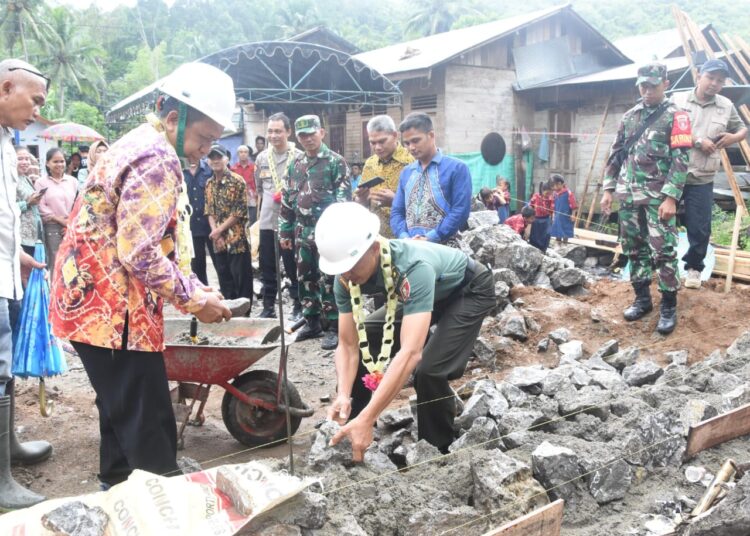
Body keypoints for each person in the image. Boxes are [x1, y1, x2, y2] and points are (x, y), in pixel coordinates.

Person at [49, 62, 235, 490]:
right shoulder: (157, 158)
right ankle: (161, 506)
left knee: (120, 408)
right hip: (114, 313)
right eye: (204, 138)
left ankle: (114, 490)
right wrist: (195, 300)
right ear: (174, 118)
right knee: (149, 422)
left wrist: (191, 284)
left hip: (94, 302)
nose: (205, 150)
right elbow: (139, 251)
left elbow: (143, 235)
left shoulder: (138, 141)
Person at [316, 202, 494, 458]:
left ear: (375, 249)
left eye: (352, 266)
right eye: (341, 269)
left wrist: (371, 416)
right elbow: (347, 344)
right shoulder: (345, 276)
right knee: (370, 333)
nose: (347, 274)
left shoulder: (412, 267)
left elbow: (410, 353)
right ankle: (352, 428)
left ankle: (436, 452)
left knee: (429, 370)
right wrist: (343, 394)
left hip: (468, 289)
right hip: (425, 295)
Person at [601, 62, 692, 335]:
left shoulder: (679, 116)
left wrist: (671, 198)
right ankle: (642, 299)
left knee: (663, 251)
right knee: (633, 249)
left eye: (652, 85)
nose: (647, 90)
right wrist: (607, 190)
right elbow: (615, 155)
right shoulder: (629, 117)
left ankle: (668, 306)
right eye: (642, 85)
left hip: (657, 199)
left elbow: (681, 160)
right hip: (628, 197)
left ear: (665, 83)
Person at [0, 58, 51, 509]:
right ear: (5, 88)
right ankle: (0, 481)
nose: (37, 110)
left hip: (6, 270)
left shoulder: (5, 140)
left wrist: (20, 256)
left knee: (5, 364)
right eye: (34, 100)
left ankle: (8, 449)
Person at [672, 59, 748, 289]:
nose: (714, 84)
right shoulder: (677, 100)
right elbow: (668, 129)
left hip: (703, 176)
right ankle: (661, 266)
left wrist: (734, 138)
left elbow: (742, 128)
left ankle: (694, 269)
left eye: (720, 81)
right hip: (674, 174)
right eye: (710, 78)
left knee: (700, 226)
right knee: (662, 220)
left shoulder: (725, 105)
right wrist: (697, 140)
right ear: (699, 76)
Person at [279, 115, 351, 350]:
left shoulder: (335, 162)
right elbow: (288, 198)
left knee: (329, 278)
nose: (308, 139)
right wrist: (285, 231)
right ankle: (312, 321)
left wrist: (339, 231)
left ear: (322, 132)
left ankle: (333, 327)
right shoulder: (296, 163)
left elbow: (343, 199)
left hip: (327, 230)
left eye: (311, 133)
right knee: (304, 276)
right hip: (302, 230)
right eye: (302, 135)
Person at [391, 112, 472, 245]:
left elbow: (461, 210)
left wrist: (432, 237)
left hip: (445, 250)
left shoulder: (457, 168)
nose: (411, 147)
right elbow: (397, 212)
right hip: (410, 248)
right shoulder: (406, 173)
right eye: (407, 143)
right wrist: (404, 236)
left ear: (431, 135)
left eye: (416, 140)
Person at [254, 113, 303, 319]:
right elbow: (259, 189)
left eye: (278, 131)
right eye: (270, 131)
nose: (274, 136)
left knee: (293, 266)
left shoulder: (299, 156)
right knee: (267, 266)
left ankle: (298, 305)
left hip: (291, 223)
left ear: (288, 132)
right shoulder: (262, 157)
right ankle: (268, 307)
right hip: (267, 221)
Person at [205, 144, 253, 303]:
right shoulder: (209, 184)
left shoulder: (237, 181)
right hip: (218, 241)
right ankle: (229, 315)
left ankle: (245, 317)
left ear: (227, 159)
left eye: (219, 157)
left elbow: (238, 213)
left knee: (241, 281)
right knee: (224, 279)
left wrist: (218, 230)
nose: (215, 160)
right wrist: (215, 233)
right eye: (212, 157)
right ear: (208, 161)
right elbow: (209, 211)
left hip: (237, 240)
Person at [357, 115, 414, 239]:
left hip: (405, 237)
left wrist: (396, 202)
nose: (377, 147)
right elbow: (362, 203)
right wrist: (362, 199)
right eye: (373, 143)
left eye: (382, 141)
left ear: (395, 135)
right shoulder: (370, 164)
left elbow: (427, 205)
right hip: (376, 238)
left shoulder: (412, 161)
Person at [36, 147, 77, 278]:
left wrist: (70, 222)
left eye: (62, 161)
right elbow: (40, 206)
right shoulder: (41, 182)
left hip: (71, 225)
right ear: (47, 163)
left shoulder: (72, 181)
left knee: (72, 258)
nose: (59, 164)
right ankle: (54, 294)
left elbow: (78, 203)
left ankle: (70, 293)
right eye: (55, 162)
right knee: (56, 259)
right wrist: (61, 220)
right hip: (52, 226)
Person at [183, 157, 215, 286]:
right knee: (197, 264)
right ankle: (205, 296)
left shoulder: (209, 169)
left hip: (211, 224)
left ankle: (228, 295)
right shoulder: (180, 170)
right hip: (191, 225)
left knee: (220, 262)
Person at [15, 146, 44, 256]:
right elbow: (5, 208)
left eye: (27, 159)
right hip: (21, 236)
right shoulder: (8, 180)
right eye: (20, 159)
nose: (25, 162)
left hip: (34, 236)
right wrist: (27, 203)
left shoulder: (25, 178)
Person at [230, 144, 257, 225]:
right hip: (238, 199)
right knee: (239, 223)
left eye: (245, 152)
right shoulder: (233, 168)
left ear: (248, 154)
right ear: (238, 154)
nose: (243, 154)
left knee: (252, 222)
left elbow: (258, 182)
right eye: (241, 152)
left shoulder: (254, 167)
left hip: (252, 199)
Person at [550, 174, 577, 244]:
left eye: (555, 185)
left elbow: (574, 205)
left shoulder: (568, 193)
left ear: (560, 184)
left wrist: (573, 215)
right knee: (557, 231)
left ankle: (565, 244)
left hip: (566, 216)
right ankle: (558, 245)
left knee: (565, 231)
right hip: (557, 216)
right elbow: (553, 205)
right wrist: (553, 215)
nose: (554, 187)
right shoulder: (555, 193)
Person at [528, 181, 553, 252]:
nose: (548, 194)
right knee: (535, 234)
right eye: (547, 193)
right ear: (542, 190)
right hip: (536, 218)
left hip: (546, 219)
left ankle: (543, 249)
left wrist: (551, 209)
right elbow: (531, 205)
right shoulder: (536, 196)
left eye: (550, 193)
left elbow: (552, 208)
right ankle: (533, 248)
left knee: (546, 234)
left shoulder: (551, 198)